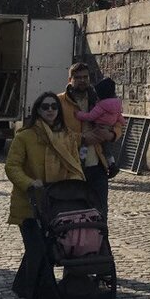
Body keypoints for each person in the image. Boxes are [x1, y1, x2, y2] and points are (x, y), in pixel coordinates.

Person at [5, 91, 84, 299]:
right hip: (30, 206)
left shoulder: (67, 137)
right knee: (38, 252)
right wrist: (30, 184)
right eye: (45, 107)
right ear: (37, 111)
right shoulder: (25, 136)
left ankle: (24, 291)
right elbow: (12, 167)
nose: (50, 110)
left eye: (54, 107)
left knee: (44, 252)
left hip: (57, 206)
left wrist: (73, 188)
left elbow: (75, 167)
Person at [58, 63, 118, 216]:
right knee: (74, 213)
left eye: (85, 77)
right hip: (72, 166)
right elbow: (55, 133)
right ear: (70, 79)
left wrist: (112, 135)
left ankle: (101, 240)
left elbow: (117, 121)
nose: (82, 80)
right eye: (77, 77)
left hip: (98, 165)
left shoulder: (98, 99)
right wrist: (82, 139)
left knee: (100, 212)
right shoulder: (59, 102)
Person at [73, 77, 125, 178]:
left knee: (85, 142)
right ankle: (112, 164)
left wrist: (78, 114)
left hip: (98, 128)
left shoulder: (101, 106)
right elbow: (120, 119)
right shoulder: (117, 105)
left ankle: (82, 161)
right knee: (106, 148)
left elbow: (90, 116)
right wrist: (114, 130)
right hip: (109, 129)